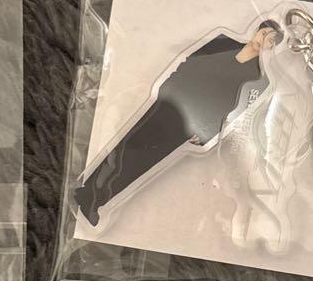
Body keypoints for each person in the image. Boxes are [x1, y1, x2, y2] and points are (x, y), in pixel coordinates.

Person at [74, 18, 284, 226]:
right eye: (264, 33)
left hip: (190, 124)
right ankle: (86, 190)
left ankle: (96, 202)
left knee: (144, 162)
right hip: (171, 102)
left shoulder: (259, 79)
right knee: (127, 145)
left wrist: (207, 133)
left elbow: (235, 110)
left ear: (272, 48)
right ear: (257, 30)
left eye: (270, 40)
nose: (264, 39)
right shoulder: (225, 42)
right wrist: (168, 87)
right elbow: (190, 62)